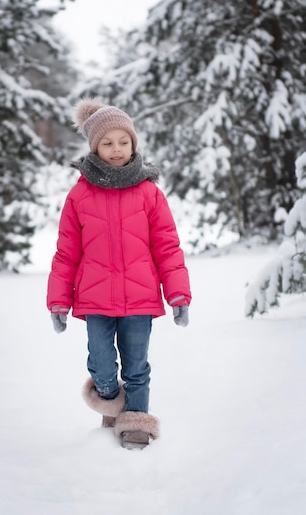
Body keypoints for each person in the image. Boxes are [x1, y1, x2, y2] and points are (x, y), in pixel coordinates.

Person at [47, 97, 191, 449]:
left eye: (123, 142)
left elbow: (167, 247)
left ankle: (136, 423)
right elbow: (66, 252)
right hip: (95, 299)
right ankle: (111, 400)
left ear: (133, 143)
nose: (116, 150)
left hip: (140, 299)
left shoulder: (148, 193)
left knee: (137, 366)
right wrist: (58, 301)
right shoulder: (80, 195)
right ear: (95, 147)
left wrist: (178, 294)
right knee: (101, 365)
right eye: (107, 143)